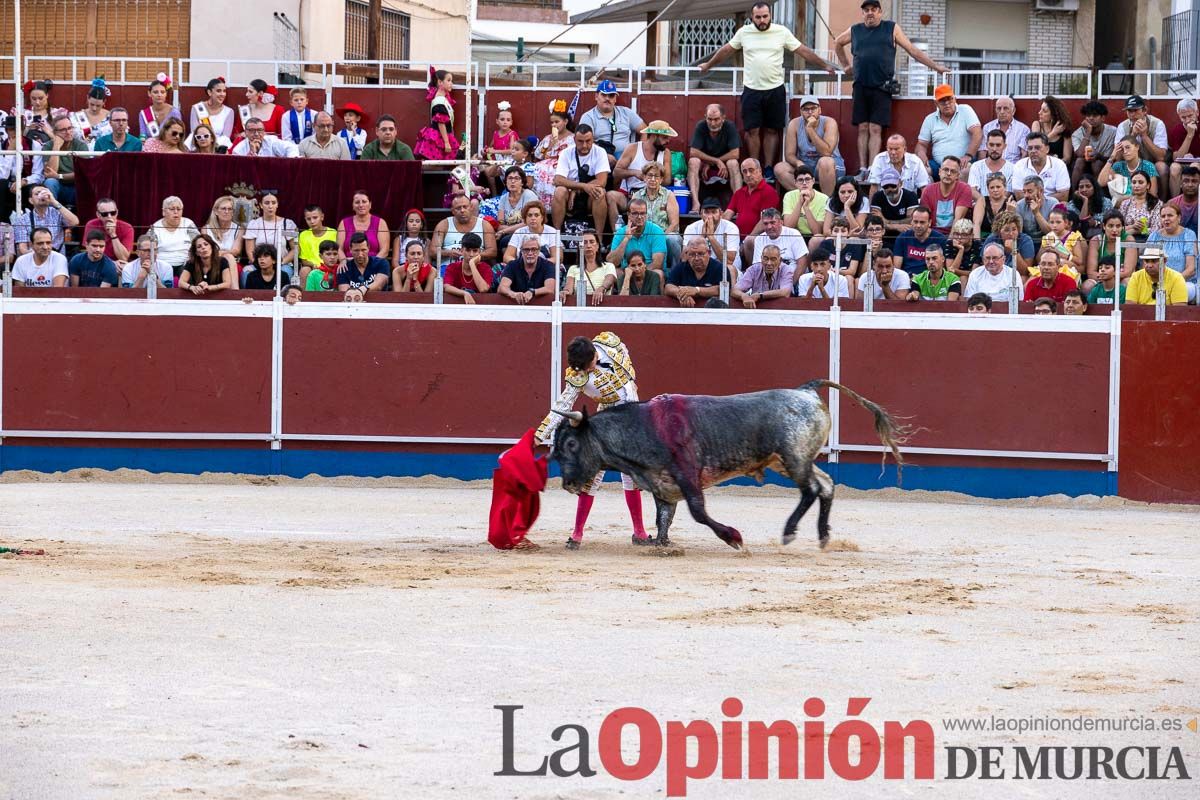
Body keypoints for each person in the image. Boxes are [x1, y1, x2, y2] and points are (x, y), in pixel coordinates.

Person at [535, 332, 648, 550]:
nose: (587, 371)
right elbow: (562, 406)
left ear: (595, 355)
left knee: (631, 474)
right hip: (607, 422)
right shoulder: (578, 376)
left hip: (634, 417)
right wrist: (541, 433)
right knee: (593, 475)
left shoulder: (610, 341)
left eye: (588, 365)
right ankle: (576, 534)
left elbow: (627, 369)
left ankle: (640, 532)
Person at [700, 2, 836, 168]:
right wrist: (708, 65)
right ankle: (754, 166)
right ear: (752, 18)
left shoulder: (781, 32)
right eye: (758, 17)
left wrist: (825, 65)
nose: (762, 20)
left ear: (770, 15)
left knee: (772, 130)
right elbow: (726, 50)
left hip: (775, 89)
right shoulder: (744, 32)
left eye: (765, 16)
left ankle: (769, 168)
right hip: (751, 90)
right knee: (752, 131)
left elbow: (803, 50)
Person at [834, 0, 948, 178]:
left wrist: (936, 67)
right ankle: (863, 169)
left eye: (873, 10)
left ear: (880, 12)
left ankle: (872, 169)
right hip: (860, 86)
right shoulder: (855, 30)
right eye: (866, 10)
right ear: (862, 14)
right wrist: (846, 66)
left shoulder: (891, 28)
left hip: (882, 86)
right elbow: (838, 43)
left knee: (875, 129)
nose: (870, 13)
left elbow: (913, 50)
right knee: (862, 128)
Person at [608, 120, 674, 226]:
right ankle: (617, 234)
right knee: (611, 196)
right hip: (630, 195)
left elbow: (666, 181)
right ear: (653, 136)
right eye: (665, 137)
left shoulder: (666, 153)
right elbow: (616, 172)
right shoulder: (633, 148)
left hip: (653, 196)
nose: (668, 141)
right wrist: (634, 173)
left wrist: (655, 176)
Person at [775, 96, 845, 196]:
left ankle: (827, 205)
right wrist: (798, 162)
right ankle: (808, 197)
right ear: (801, 112)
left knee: (825, 162)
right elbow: (789, 155)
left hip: (831, 166)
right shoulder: (794, 124)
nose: (810, 112)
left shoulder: (829, 122)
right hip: (806, 165)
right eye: (806, 109)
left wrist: (810, 129)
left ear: (819, 110)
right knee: (779, 168)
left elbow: (826, 152)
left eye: (813, 108)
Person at [551, 125, 609, 234]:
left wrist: (577, 189)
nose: (584, 145)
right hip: (568, 196)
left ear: (593, 139)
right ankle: (556, 236)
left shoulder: (600, 152)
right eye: (580, 141)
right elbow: (558, 180)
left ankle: (599, 238)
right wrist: (583, 186)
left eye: (588, 141)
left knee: (599, 192)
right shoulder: (566, 153)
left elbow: (602, 181)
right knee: (559, 191)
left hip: (589, 197)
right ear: (574, 140)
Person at [916, 85, 981, 174]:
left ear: (955, 99)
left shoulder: (965, 110)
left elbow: (977, 133)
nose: (947, 103)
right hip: (939, 165)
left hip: (963, 162)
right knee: (922, 170)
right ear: (936, 103)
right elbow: (921, 144)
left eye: (949, 99)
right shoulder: (929, 119)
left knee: (965, 170)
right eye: (942, 100)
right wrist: (921, 154)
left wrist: (968, 155)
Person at [577, 81, 646, 167]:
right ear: (596, 96)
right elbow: (584, 142)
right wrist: (603, 156)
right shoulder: (588, 117)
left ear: (615, 99)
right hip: (599, 160)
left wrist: (639, 153)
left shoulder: (626, 113)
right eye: (604, 95)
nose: (607, 99)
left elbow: (645, 131)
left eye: (611, 95)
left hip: (626, 160)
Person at [687, 103, 741, 201]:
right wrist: (715, 161)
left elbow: (735, 153)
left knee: (733, 163)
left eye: (716, 119)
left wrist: (717, 161)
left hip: (724, 164)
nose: (713, 123)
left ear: (723, 118)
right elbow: (693, 152)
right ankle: (695, 203)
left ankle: (738, 203)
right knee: (693, 161)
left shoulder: (729, 126)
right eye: (709, 119)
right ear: (705, 117)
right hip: (705, 163)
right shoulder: (701, 125)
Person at [1147, 201, 1197, 300]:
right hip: (1157, 282)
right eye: (1163, 216)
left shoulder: (1189, 235)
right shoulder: (1154, 236)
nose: (1166, 219)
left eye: (1170, 215)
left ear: (1179, 218)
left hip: (1184, 282)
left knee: (1185, 290)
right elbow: (1147, 264)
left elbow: (1191, 270)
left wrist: (1171, 282)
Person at [1114, 95, 1168, 181]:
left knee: (1161, 166)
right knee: (1117, 165)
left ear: (1145, 110)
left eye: (1135, 110)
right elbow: (1117, 157)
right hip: (1131, 162)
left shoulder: (1157, 123)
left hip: (1152, 162)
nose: (1132, 114)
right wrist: (1133, 135)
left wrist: (1144, 135)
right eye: (1129, 111)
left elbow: (1160, 157)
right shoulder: (1122, 126)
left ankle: (1162, 195)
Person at [724, 158, 780, 241]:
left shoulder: (769, 192)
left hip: (760, 239)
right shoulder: (739, 193)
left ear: (760, 171)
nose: (748, 174)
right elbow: (727, 214)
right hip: (737, 240)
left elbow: (764, 220)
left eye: (751, 170)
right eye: (744, 171)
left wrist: (747, 240)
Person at [608, 197, 667, 275]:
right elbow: (611, 262)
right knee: (614, 273)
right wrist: (626, 238)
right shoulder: (621, 232)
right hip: (627, 272)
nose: (639, 217)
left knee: (658, 273)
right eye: (635, 213)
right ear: (629, 215)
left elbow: (657, 263)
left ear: (646, 214)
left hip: (648, 271)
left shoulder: (657, 231)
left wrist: (638, 274)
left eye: (642, 213)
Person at [13, 184, 78, 255]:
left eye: (44, 193)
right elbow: (22, 249)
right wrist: (40, 254)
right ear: (31, 200)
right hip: (34, 258)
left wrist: (54, 201)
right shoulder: (22, 220)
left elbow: (74, 223)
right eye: (37, 194)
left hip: (56, 258)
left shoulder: (58, 213)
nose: (41, 196)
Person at [435, 193, 499, 263]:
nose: (462, 210)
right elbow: (432, 251)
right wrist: (449, 253)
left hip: (476, 267)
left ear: (471, 207)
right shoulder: (443, 224)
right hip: (448, 267)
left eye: (465, 207)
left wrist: (473, 255)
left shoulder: (484, 225)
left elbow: (492, 251)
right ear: (452, 211)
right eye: (458, 208)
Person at [666, 239, 732, 307]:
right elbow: (669, 287)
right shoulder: (681, 267)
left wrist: (697, 290)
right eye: (692, 254)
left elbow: (723, 289)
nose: (696, 258)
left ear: (709, 253)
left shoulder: (720, 268)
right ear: (686, 254)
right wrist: (682, 295)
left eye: (700, 254)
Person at [533, 100, 575, 207]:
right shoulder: (548, 138)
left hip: (562, 165)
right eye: (552, 123)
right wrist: (549, 146)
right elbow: (539, 155)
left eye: (557, 122)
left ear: (565, 121)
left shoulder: (572, 138)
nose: (554, 125)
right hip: (546, 163)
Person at [1010, 132, 1071, 202]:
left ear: (1047, 149)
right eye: (1030, 148)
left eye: (1037, 147)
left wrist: (1038, 200)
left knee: (1063, 205)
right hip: (1027, 206)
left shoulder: (1059, 164)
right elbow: (1019, 195)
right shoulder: (1019, 165)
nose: (1033, 151)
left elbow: (1063, 196)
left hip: (1052, 206)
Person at [149, 196, 200, 279]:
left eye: (179, 209)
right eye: (172, 209)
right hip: (162, 264)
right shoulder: (155, 227)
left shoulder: (188, 224)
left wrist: (192, 257)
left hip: (185, 262)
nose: (176, 212)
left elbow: (199, 242)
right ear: (164, 212)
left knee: (189, 273)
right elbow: (149, 248)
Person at [919, 156, 973, 234]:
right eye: (945, 170)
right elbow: (925, 219)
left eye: (953, 171)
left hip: (956, 233)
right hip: (933, 234)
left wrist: (949, 242)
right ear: (939, 172)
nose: (948, 174)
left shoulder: (964, 189)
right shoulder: (928, 190)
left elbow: (958, 219)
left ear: (958, 175)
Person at [244, 193, 298, 270]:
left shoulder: (287, 223)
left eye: (273, 203)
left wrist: (281, 262)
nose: (270, 206)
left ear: (277, 205)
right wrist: (258, 264)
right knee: (247, 273)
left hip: (282, 264)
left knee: (285, 272)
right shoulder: (254, 224)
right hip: (259, 265)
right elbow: (250, 251)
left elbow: (295, 249)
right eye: (266, 203)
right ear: (261, 205)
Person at [684, 196, 741, 269]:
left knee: (729, 268)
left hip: (725, 269)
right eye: (707, 212)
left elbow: (729, 261)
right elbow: (684, 259)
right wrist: (701, 237)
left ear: (721, 214)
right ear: (701, 214)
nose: (710, 216)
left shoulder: (731, 228)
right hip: (700, 268)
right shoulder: (691, 228)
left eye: (714, 212)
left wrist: (711, 237)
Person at [413, 68, 459, 160]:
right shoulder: (439, 101)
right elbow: (441, 122)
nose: (451, 83)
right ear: (440, 82)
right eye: (449, 80)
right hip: (439, 137)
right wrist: (446, 142)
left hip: (442, 135)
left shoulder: (442, 99)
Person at [42, 115, 89, 204]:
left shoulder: (80, 145)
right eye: (63, 130)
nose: (68, 132)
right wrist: (56, 146)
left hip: (77, 186)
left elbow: (82, 174)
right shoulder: (48, 146)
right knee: (50, 182)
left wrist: (58, 176)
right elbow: (50, 173)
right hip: (58, 186)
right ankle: (51, 216)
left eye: (70, 128)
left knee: (86, 184)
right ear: (55, 132)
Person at [562, 229, 617, 304]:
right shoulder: (573, 268)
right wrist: (565, 291)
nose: (588, 245)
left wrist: (601, 289)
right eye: (584, 242)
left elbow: (609, 280)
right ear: (580, 247)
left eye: (592, 242)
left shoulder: (608, 266)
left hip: (602, 306)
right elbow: (569, 286)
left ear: (597, 246)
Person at [745, 207, 807, 273]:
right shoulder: (759, 239)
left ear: (781, 222)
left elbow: (802, 264)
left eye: (772, 222)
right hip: (769, 278)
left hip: (791, 276)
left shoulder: (793, 234)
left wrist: (791, 283)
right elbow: (758, 267)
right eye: (766, 224)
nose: (769, 227)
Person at [1099, 135, 1160, 203]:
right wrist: (1112, 157)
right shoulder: (1118, 166)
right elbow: (1101, 182)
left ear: (1137, 147)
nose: (1125, 151)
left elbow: (1153, 194)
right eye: (1122, 149)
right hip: (1121, 206)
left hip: (1143, 204)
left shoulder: (1148, 166)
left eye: (1128, 147)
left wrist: (1124, 199)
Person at [497, 236, 556, 304]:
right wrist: (513, 294)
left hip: (541, 306)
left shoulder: (548, 265)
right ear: (521, 250)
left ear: (539, 250)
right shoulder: (512, 265)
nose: (530, 253)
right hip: (516, 306)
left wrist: (532, 292)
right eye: (526, 250)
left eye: (534, 249)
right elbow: (502, 287)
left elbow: (550, 289)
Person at [866, 134, 930, 195]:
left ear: (905, 149)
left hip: (909, 203)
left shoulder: (915, 161)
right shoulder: (879, 159)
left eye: (896, 149)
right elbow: (874, 188)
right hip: (884, 202)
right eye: (890, 149)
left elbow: (924, 187)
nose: (893, 152)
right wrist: (871, 206)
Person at [1071, 100, 1115, 186]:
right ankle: (1075, 195)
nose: (1090, 118)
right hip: (1083, 165)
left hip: (1103, 164)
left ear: (1103, 118)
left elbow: (1112, 157)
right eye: (1088, 115)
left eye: (1095, 115)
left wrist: (1098, 156)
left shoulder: (1112, 132)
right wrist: (1088, 132)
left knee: (1097, 163)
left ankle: (1099, 195)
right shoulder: (1077, 134)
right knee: (1079, 161)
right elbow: (1079, 154)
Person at [782, 165, 831, 241]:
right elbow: (788, 227)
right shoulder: (789, 196)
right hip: (795, 236)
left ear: (813, 181)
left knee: (817, 238)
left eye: (807, 179)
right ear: (795, 182)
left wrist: (806, 208)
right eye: (800, 180)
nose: (804, 183)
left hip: (813, 236)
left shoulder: (824, 198)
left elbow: (817, 232)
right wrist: (800, 203)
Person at [480, 101, 519, 196]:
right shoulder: (496, 134)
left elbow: (511, 151)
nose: (505, 122)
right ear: (497, 121)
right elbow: (491, 147)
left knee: (490, 171)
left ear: (511, 122)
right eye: (502, 119)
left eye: (508, 120)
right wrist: (485, 151)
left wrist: (495, 151)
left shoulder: (511, 134)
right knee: (483, 168)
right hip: (497, 160)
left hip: (508, 160)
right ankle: (494, 193)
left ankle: (499, 193)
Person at [893, 206, 946, 275]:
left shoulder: (940, 239)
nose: (918, 225)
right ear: (911, 221)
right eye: (915, 221)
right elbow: (897, 269)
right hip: (907, 279)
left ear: (929, 222)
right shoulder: (902, 238)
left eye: (922, 222)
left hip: (930, 279)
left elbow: (941, 269)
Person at [337, 191, 391, 260]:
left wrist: (371, 264)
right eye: (357, 202)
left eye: (364, 202)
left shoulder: (381, 223)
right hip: (349, 265)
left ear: (370, 204)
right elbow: (339, 249)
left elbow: (384, 251)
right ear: (353, 206)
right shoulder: (343, 223)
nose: (361, 205)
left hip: (374, 265)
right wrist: (344, 262)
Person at [869, 166, 919, 240]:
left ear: (900, 183)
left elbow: (911, 220)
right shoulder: (877, 197)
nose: (890, 189)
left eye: (893, 186)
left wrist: (886, 222)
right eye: (886, 186)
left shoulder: (911, 196)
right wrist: (896, 226)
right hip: (883, 237)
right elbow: (876, 223)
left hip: (906, 237)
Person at [737, 243, 794, 308]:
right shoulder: (753, 269)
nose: (769, 263)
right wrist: (743, 296)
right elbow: (735, 290)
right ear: (761, 258)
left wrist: (760, 295)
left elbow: (785, 292)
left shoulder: (786, 270)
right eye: (766, 258)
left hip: (780, 310)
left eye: (773, 259)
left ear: (780, 260)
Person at [336, 232, 390, 301]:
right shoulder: (344, 267)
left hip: (378, 304)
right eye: (356, 250)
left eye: (363, 250)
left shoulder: (382, 263)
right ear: (350, 249)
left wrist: (363, 289)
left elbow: (379, 285)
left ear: (368, 248)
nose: (360, 254)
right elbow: (345, 292)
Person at [492, 166, 539, 243]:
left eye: (516, 178)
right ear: (505, 181)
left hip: (528, 233)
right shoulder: (503, 198)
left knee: (505, 241)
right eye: (510, 178)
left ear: (522, 182)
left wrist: (504, 231)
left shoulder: (529, 196)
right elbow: (500, 224)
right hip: (508, 233)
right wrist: (506, 230)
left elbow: (528, 223)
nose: (512, 181)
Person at [1088, 211, 1137, 283]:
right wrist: (1106, 277)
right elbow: (1091, 273)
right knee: (1087, 285)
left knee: (1127, 282)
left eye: (1118, 226)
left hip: (1121, 279)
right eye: (1110, 226)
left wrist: (1110, 276)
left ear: (1122, 227)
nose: (1114, 230)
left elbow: (1127, 272)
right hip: (1101, 279)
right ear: (1104, 226)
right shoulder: (1096, 241)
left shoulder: (1129, 240)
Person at [982, 210, 1035, 277]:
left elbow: (1025, 272)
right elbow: (985, 265)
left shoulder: (1026, 240)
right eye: (1006, 230)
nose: (1011, 234)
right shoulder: (992, 239)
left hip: (1015, 276)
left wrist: (1014, 251)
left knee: (1023, 278)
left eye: (1014, 229)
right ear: (998, 231)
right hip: (995, 274)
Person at [443, 233, 493, 303]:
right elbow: (447, 287)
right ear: (461, 250)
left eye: (475, 251)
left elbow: (483, 289)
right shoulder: (452, 267)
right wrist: (465, 293)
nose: (471, 254)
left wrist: (472, 264)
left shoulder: (486, 268)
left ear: (479, 251)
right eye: (468, 250)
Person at [81, 197, 134, 263]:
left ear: (117, 212)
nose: (109, 216)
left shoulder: (127, 227)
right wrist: (111, 264)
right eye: (105, 214)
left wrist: (113, 234)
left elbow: (123, 258)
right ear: (98, 215)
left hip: (119, 263)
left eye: (113, 213)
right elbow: (90, 252)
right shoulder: (91, 225)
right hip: (97, 262)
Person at [979, 96, 1029, 164]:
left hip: (1013, 168)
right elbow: (983, 151)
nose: (1002, 112)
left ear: (1013, 111)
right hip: (992, 167)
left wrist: (1018, 170)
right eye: (999, 108)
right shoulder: (988, 128)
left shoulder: (1023, 129)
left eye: (1006, 108)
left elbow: (1024, 155)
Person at [1167, 97, 1200, 196]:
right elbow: (1176, 158)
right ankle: (1175, 203)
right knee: (1174, 168)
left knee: (1195, 166)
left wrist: (1195, 160)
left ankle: (1196, 203)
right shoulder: (1177, 130)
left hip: (1198, 163)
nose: (1187, 120)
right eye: (1183, 117)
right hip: (1184, 163)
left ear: (1197, 113)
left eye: (1190, 116)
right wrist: (1189, 135)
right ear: (1179, 116)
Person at [1118, 170, 1162, 239]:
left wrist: (1136, 231)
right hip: (1127, 239)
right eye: (1134, 182)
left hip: (1149, 240)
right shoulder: (1125, 203)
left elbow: (1157, 229)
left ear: (1148, 185)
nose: (1136, 185)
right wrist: (1132, 226)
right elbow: (1118, 228)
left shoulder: (1156, 203)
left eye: (1140, 182)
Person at [968, 130, 1015, 196]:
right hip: (980, 204)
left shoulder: (1012, 168)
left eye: (998, 145)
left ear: (1004, 146)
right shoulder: (976, 166)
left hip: (1003, 205)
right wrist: (985, 204)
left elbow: (1007, 193)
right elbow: (973, 190)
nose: (994, 149)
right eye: (991, 145)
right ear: (986, 145)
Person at [189, 77, 236, 142]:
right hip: (199, 145)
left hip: (219, 148)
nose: (222, 94)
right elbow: (194, 133)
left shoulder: (229, 112)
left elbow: (225, 138)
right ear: (209, 92)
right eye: (218, 91)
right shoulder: (197, 108)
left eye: (224, 91)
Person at [297, 205, 338, 278]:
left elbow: (337, 255)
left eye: (315, 218)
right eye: (308, 219)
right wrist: (313, 265)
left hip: (331, 266)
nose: (312, 221)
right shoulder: (303, 235)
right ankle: (302, 290)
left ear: (322, 217)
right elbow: (304, 260)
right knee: (304, 270)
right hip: (313, 267)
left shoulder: (333, 233)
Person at [1030, 95, 1074, 163]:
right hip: (1040, 165)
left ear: (1053, 115)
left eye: (1044, 111)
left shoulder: (1064, 128)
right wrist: (1053, 133)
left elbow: (1067, 158)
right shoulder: (1037, 125)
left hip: (1059, 167)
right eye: (1040, 109)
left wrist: (1054, 164)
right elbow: (1035, 145)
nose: (1039, 113)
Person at [203, 195, 245, 263]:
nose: (227, 212)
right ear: (216, 212)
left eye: (230, 209)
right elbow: (205, 250)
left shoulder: (240, 229)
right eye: (223, 209)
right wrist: (226, 252)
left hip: (231, 263)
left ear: (233, 213)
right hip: (212, 262)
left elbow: (236, 251)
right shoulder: (205, 229)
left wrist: (218, 253)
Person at [974, 172, 1016, 239]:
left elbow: (1010, 227)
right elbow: (976, 224)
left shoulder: (1011, 202)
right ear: (988, 189)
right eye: (992, 188)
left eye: (998, 187)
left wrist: (1008, 211)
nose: (995, 190)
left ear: (1005, 187)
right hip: (983, 239)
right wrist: (977, 242)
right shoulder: (982, 201)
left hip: (1003, 239)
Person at [1068, 173, 1112, 238]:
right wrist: (1085, 201)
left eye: (1088, 186)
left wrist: (1096, 223)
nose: (1084, 190)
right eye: (1081, 187)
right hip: (1079, 237)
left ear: (1094, 188)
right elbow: (1080, 222)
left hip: (1101, 235)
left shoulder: (1106, 202)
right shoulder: (1072, 204)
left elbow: (1110, 223)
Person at [1014, 175, 1056, 240]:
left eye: (1030, 191)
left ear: (1041, 191)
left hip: (1049, 241)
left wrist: (1036, 213)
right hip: (1027, 241)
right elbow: (1018, 234)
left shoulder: (1053, 204)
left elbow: (1051, 232)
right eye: (1024, 192)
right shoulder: (1019, 205)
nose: (1026, 195)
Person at [231, 117, 298, 157]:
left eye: (260, 130)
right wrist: (252, 153)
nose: (256, 134)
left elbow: (291, 147)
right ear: (245, 132)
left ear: (264, 132)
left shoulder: (271, 141)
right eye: (252, 130)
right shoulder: (238, 150)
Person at [944, 218, 982, 287]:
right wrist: (961, 250)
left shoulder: (978, 245)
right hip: (952, 280)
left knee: (963, 278)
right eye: (956, 234)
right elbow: (950, 273)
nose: (959, 237)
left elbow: (974, 273)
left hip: (972, 280)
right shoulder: (950, 243)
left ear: (971, 235)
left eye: (963, 234)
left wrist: (956, 271)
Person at [78, 76, 112, 141]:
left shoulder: (110, 117)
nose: (94, 108)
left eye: (98, 106)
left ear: (104, 102)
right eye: (92, 104)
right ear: (88, 98)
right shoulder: (79, 116)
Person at [1169, 164, 1200, 229]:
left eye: (1194, 181)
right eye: (1186, 181)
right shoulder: (1172, 204)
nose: (1190, 185)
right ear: (1180, 184)